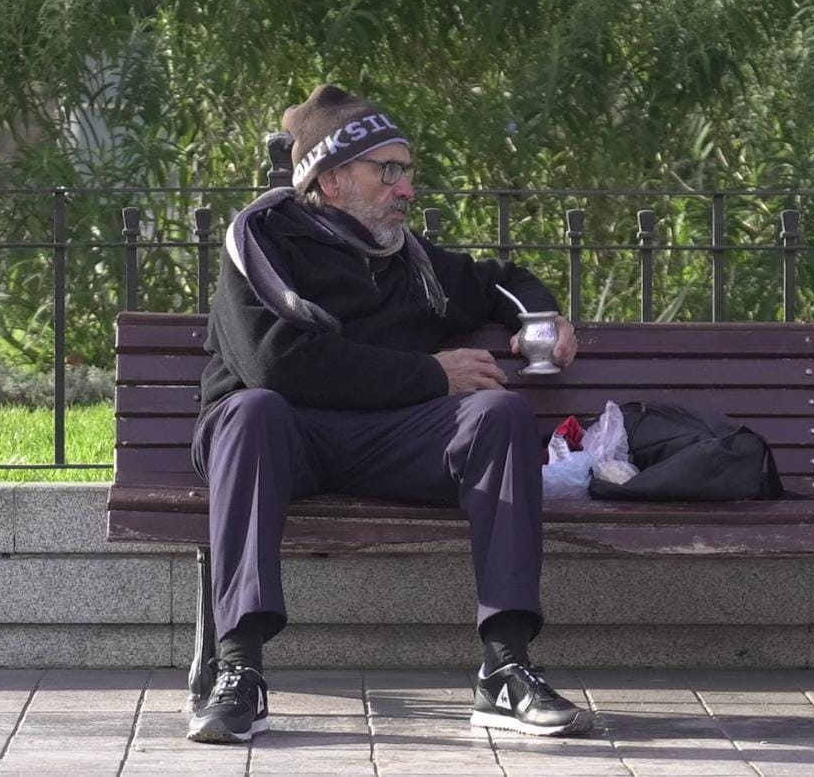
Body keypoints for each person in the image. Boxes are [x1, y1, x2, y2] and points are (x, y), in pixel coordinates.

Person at [186, 84, 591, 743]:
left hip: (386, 442)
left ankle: (506, 668)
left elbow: (500, 281)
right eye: (389, 170)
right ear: (332, 175)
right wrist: (432, 373)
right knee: (250, 409)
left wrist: (542, 319)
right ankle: (239, 672)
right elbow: (276, 365)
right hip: (284, 437)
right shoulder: (259, 244)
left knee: (500, 415)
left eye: (408, 172)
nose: (406, 189)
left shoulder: (413, 262)